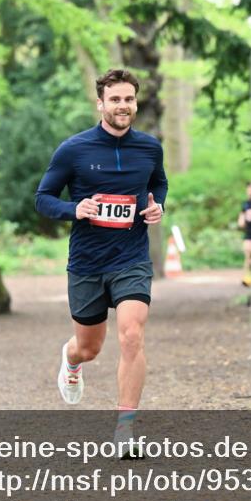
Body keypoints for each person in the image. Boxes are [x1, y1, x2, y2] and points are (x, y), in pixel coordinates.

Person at [35, 68, 167, 458]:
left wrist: (157, 204)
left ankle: (125, 430)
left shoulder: (149, 148)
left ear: (135, 102)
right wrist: (75, 208)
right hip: (88, 262)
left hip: (131, 258)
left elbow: (158, 182)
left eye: (128, 99)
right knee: (89, 348)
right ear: (101, 104)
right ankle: (71, 360)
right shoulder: (73, 149)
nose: (122, 106)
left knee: (131, 335)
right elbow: (43, 199)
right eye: (115, 99)